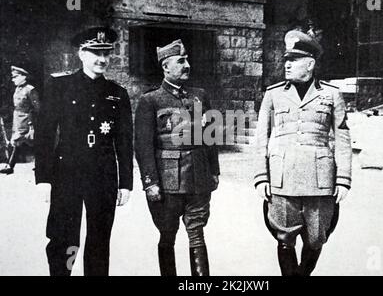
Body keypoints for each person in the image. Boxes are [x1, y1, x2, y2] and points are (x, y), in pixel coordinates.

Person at [34, 27, 134, 276]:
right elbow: (45, 134)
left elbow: (124, 140)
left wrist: (126, 183)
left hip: (103, 175)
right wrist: (44, 178)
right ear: (81, 54)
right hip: (67, 172)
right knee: (64, 238)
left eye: (106, 54)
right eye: (95, 53)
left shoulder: (117, 94)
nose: (102, 59)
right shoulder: (60, 86)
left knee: (99, 240)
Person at [254, 30, 352, 276]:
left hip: (320, 180)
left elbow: (342, 138)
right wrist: (260, 176)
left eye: (294, 60)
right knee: (284, 238)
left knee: (316, 238)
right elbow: (261, 138)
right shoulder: (273, 94)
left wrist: (344, 179)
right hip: (282, 178)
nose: (286, 64)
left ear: (310, 64)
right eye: (286, 59)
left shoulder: (331, 94)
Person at [135, 39, 220, 276]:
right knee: (167, 233)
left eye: (187, 60)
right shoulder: (150, 100)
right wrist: (150, 182)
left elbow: (211, 137)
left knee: (197, 232)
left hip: (199, 178)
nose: (187, 65)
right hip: (167, 183)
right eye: (181, 61)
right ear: (166, 66)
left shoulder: (200, 96)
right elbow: (143, 146)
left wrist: (214, 171)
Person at [0, 66, 40, 175]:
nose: (13, 79)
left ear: (23, 77)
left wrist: (32, 123)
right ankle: (11, 166)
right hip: (18, 120)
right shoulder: (18, 89)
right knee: (20, 143)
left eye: (16, 77)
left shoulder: (30, 89)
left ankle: (10, 165)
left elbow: (37, 108)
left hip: (27, 121)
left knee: (30, 143)